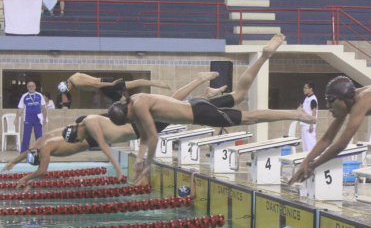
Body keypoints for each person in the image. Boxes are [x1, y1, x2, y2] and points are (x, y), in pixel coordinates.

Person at [108, 34, 316, 184]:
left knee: (251, 117)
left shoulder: (139, 107)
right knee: (240, 95)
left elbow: (152, 137)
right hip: (196, 104)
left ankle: (295, 114)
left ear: (127, 114)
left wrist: (146, 163)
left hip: (199, 113)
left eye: (129, 120)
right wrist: (141, 157)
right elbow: (145, 136)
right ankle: (263, 57)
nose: (132, 122)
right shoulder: (136, 99)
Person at [61, 72, 228, 180]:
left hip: (138, 126)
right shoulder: (91, 123)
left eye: (77, 139)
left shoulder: (91, 125)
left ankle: (201, 83)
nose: (79, 141)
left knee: (177, 106)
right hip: (137, 128)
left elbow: (105, 147)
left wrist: (118, 169)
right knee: (177, 107)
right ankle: (206, 93)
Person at [1, 125, 89, 191]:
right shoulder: (39, 144)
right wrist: (13, 162)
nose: (42, 161)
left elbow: (42, 170)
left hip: (87, 139)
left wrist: (25, 178)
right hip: (80, 126)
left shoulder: (45, 148)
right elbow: (30, 152)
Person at [57, 73, 171, 102]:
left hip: (105, 84)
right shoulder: (73, 77)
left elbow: (95, 84)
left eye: (68, 89)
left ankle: (157, 83)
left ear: (68, 85)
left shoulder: (76, 83)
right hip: (103, 87)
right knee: (124, 101)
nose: (70, 90)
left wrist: (111, 84)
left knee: (133, 84)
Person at [15, 81, 47, 153]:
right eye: (29, 86)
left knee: (39, 137)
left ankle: (40, 152)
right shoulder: (24, 96)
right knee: (26, 137)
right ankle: (23, 153)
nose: (31, 87)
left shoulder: (39, 95)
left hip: (37, 119)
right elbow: (20, 108)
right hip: (28, 119)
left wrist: (44, 118)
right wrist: (16, 118)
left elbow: (43, 108)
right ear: (27, 88)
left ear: (35, 87)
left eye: (32, 86)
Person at [299, 82, 318, 152]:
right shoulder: (306, 98)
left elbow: (314, 111)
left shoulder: (313, 99)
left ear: (311, 89)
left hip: (308, 126)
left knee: (310, 144)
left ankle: (312, 159)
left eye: (305, 88)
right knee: (305, 145)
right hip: (304, 125)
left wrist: (311, 125)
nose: (304, 89)